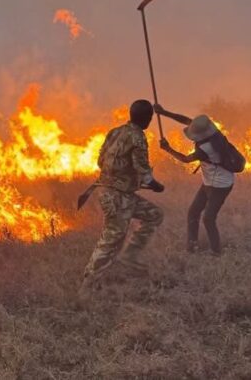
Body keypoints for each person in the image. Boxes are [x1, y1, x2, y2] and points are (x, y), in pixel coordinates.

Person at [78, 99, 164, 300]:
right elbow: (144, 172)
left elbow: (100, 160)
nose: (150, 121)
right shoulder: (138, 138)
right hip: (116, 196)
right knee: (111, 240)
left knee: (154, 215)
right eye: (149, 118)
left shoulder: (115, 131)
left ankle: (130, 256)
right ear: (145, 118)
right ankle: (87, 287)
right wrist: (155, 185)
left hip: (117, 192)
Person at [154, 103, 234, 255]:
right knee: (193, 212)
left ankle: (217, 252)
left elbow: (185, 159)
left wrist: (167, 149)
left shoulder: (207, 148)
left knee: (208, 219)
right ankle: (192, 247)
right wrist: (164, 112)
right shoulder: (212, 131)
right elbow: (186, 120)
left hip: (220, 185)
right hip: (209, 182)